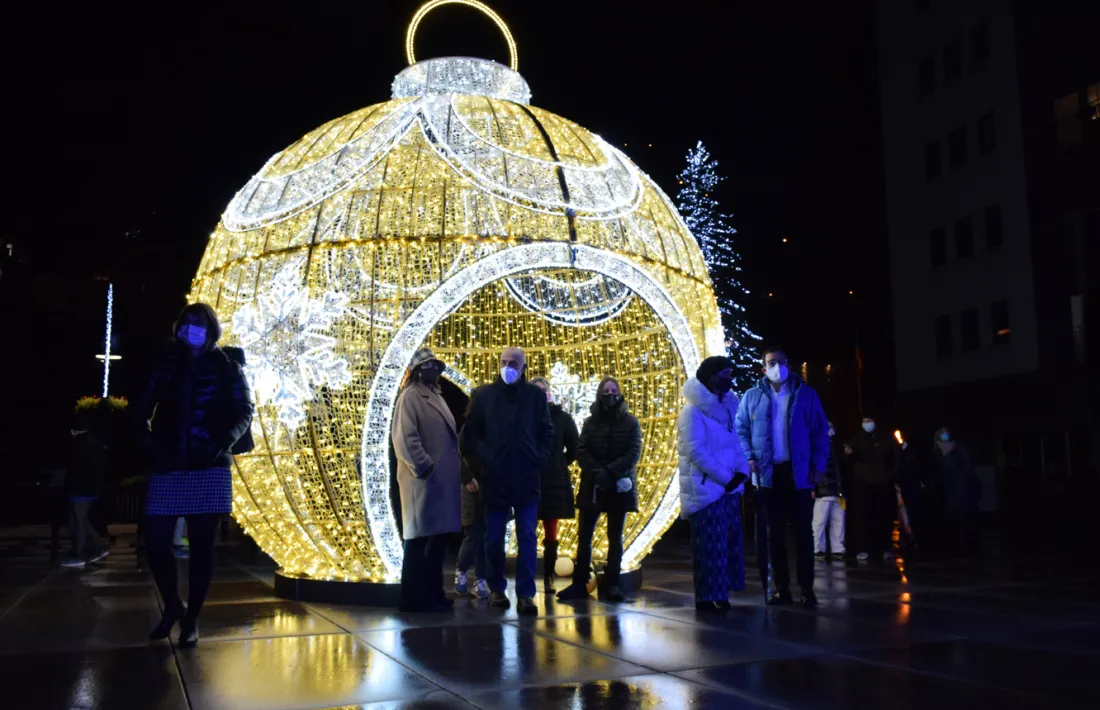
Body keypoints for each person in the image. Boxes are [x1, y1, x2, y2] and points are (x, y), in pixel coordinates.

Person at [135, 303, 253, 647]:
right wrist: (152, 447)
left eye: (197, 323)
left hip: (208, 467)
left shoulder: (227, 365)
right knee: (155, 540)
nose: (190, 329)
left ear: (211, 328)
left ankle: (192, 618)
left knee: (202, 546)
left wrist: (217, 446)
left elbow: (244, 411)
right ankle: (173, 606)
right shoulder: (165, 362)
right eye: (184, 322)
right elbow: (141, 408)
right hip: (168, 464)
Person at [459, 346, 553, 615]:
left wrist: (539, 457)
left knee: (527, 536)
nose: (508, 366)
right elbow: (470, 436)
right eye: (504, 361)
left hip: (526, 478)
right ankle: (497, 588)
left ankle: (526, 594)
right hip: (495, 479)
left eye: (513, 362)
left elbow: (547, 431)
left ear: (524, 367)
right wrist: (486, 460)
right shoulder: (485, 396)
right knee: (494, 537)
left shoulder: (535, 397)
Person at [735, 347, 829, 609]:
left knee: (803, 534)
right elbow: (740, 428)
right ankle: (781, 588)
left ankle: (807, 590)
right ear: (763, 368)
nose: (778, 367)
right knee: (772, 535)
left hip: (798, 474)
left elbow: (820, 433)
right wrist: (749, 457)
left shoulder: (806, 395)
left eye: (783, 362)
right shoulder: (752, 396)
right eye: (772, 362)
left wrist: (818, 466)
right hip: (767, 476)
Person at [557, 377, 642, 603]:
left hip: (618, 485)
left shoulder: (630, 422)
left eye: (614, 390)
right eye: (606, 390)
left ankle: (612, 584)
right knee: (584, 535)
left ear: (620, 393)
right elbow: (581, 449)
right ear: (599, 393)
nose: (610, 394)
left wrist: (611, 473)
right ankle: (579, 583)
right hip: (593, 486)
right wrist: (598, 472)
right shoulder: (590, 422)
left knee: (615, 536)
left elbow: (633, 452)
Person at [391, 348, 463, 612]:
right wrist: (424, 466)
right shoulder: (410, 396)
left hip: (439, 482)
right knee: (419, 543)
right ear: (417, 369)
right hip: (422, 482)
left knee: (437, 542)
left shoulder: (436, 395)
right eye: (427, 365)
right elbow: (404, 438)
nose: (432, 369)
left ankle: (433, 595)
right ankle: (413, 598)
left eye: (435, 364)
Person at [677, 356, 750, 612]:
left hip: (728, 491)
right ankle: (707, 598)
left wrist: (742, 472)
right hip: (706, 491)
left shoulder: (728, 409)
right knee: (709, 547)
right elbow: (696, 451)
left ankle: (722, 594)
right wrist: (727, 478)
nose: (730, 378)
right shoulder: (692, 411)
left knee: (727, 546)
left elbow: (735, 444)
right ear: (711, 377)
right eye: (725, 373)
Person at [529, 377, 580, 593]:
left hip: (553, 481)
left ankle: (548, 576)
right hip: (530, 480)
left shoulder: (562, 418)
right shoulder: (524, 417)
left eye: (544, 390)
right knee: (527, 530)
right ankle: (528, 576)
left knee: (551, 532)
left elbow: (575, 447)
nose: (541, 394)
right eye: (536, 390)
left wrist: (559, 462)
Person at [843, 416, 897, 562]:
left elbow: (895, 457)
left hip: (882, 483)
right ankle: (862, 548)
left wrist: (890, 475)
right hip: (863, 483)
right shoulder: (857, 439)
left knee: (884, 516)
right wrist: (849, 454)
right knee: (862, 516)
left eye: (870, 420)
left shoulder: (885, 437)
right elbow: (849, 460)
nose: (868, 424)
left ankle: (885, 548)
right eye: (865, 421)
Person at [61, 408, 109, 568]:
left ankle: (79, 553)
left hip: (80, 489)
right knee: (83, 520)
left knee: (77, 521)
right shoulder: (96, 443)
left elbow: (74, 469)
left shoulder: (78, 445)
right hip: (92, 489)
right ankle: (99, 546)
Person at [455, 387, 489, 600]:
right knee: (474, 534)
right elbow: (455, 456)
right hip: (472, 487)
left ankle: (482, 579)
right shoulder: (468, 429)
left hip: (491, 486)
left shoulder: (496, 427)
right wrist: (467, 478)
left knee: (488, 536)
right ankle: (461, 570)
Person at [931, 427, 980, 556]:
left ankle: (966, 550)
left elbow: (967, 472)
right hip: (947, 498)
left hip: (962, 497)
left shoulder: (960, 452)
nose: (943, 444)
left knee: (964, 524)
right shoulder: (937, 456)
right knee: (951, 526)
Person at [812, 421, 846, 561]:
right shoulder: (815, 447)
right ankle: (817, 549)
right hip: (823, 489)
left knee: (839, 521)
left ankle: (838, 549)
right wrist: (813, 488)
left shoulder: (837, 447)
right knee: (819, 521)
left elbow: (843, 469)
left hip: (838, 490)